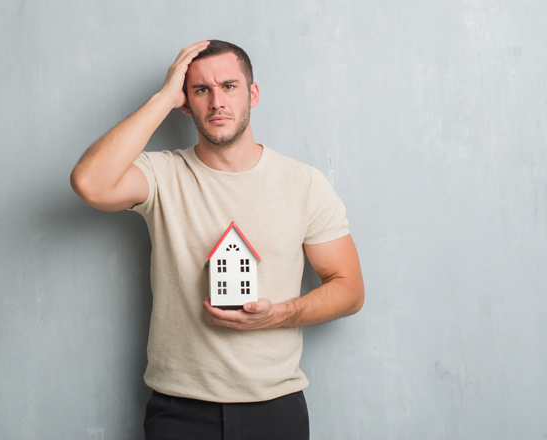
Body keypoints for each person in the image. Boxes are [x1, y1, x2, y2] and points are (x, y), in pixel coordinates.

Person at [70, 40, 364, 440]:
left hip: (273, 406)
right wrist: (162, 97)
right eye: (201, 90)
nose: (217, 102)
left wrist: (277, 314)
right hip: (178, 409)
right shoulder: (162, 174)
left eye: (229, 86)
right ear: (185, 103)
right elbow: (89, 182)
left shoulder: (305, 184)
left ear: (252, 94)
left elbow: (349, 290)